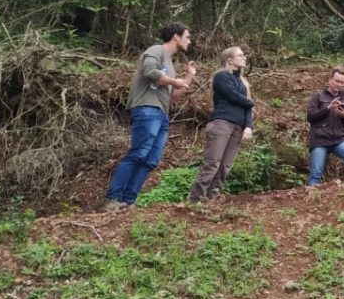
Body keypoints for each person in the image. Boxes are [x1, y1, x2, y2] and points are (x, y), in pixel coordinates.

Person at [104, 23, 197, 210]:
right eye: (187, 36)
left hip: (161, 113)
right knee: (139, 153)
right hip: (146, 108)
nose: (189, 40)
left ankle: (128, 201)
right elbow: (149, 71)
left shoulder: (170, 64)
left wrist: (188, 78)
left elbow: (172, 97)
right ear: (176, 37)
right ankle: (113, 199)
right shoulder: (157, 50)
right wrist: (173, 80)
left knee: (151, 159)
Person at [189, 46, 253, 203]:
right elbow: (233, 96)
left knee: (226, 165)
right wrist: (251, 102)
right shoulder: (221, 76)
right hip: (221, 123)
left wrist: (249, 126)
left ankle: (212, 196)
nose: (244, 57)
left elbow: (248, 109)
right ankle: (196, 199)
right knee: (213, 162)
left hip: (238, 127)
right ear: (230, 60)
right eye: (240, 55)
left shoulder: (244, 83)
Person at [306, 66, 344, 185]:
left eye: (342, 82)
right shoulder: (318, 96)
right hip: (320, 139)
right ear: (330, 79)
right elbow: (310, 117)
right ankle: (312, 197)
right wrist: (328, 108)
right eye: (337, 81)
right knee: (316, 173)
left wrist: (343, 115)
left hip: (339, 139)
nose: (339, 84)